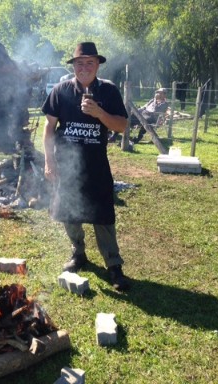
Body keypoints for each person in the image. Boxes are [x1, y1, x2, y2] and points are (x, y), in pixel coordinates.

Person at [41, 42, 130, 291]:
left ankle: (114, 265)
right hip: (67, 165)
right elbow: (49, 128)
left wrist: (100, 113)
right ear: (73, 66)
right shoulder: (60, 91)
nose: (84, 67)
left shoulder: (109, 92)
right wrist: (49, 162)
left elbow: (122, 126)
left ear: (98, 65)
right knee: (69, 213)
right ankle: (78, 253)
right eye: (79, 63)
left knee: (103, 216)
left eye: (90, 63)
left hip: (96, 164)